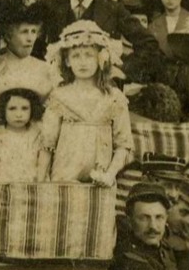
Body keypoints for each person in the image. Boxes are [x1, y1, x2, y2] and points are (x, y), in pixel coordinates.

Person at [38, 20, 132, 186]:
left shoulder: (114, 98)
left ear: (101, 59)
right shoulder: (60, 96)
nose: (82, 62)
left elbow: (123, 145)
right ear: (67, 61)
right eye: (76, 56)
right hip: (64, 175)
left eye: (89, 55)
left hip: (100, 179)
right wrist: (40, 182)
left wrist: (110, 175)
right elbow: (47, 144)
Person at [0, 74, 49, 183]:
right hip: (3, 191)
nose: (19, 114)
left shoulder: (37, 136)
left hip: (31, 191)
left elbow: (43, 169)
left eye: (24, 108)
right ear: (3, 110)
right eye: (12, 109)